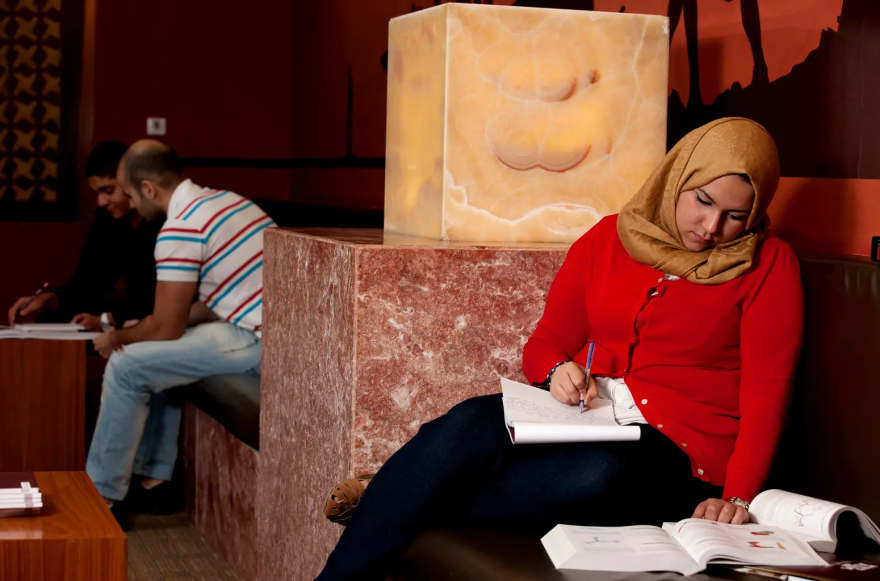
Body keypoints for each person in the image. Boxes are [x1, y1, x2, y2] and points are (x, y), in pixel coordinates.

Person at [316, 118, 804, 580]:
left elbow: (767, 395)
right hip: (589, 416)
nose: (712, 226)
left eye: (736, 216)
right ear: (677, 178)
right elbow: (546, 344)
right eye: (702, 201)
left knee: (598, 475)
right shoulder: (608, 238)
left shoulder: (769, 264)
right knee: (469, 422)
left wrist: (738, 497)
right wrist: (557, 371)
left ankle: (391, 493)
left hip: (678, 451)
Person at [86, 139, 275, 512]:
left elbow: (166, 329)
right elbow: (212, 303)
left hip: (261, 341)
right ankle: (153, 479)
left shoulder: (180, 227)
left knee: (125, 365)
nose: (134, 207)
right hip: (267, 328)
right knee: (148, 353)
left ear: (148, 189)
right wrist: (146, 327)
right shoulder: (228, 202)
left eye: (129, 195)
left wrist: (116, 336)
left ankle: (102, 500)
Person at [7, 140, 161, 329]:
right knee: (54, 318)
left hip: (160, 309)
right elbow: (87, 282)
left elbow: (161, 300)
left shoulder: (162, 221)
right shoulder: (109, 221)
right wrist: (49, 298)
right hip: (131, 309)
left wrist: (107, 320)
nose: (101, 201)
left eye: (108, 191)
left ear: (131, 181)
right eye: (96, 193)